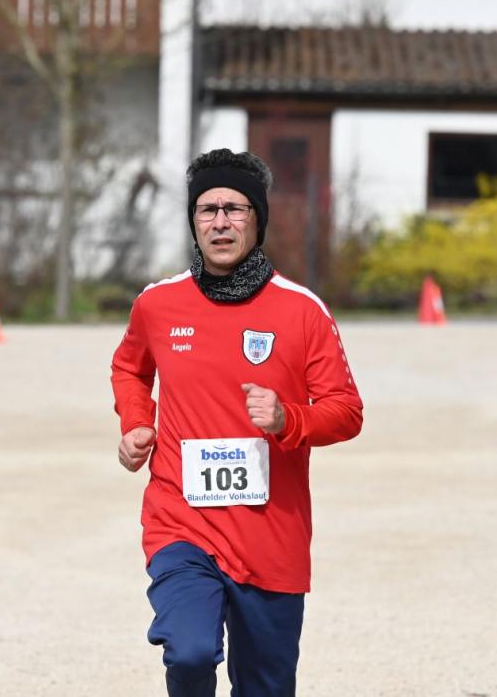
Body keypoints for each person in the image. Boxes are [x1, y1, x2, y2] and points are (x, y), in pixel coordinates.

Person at [110, 148, 364, 696]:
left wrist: (288, 418)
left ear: (257, 219)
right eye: (207, 209)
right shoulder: (158, 304)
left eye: (235, 209)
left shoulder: (302, 310)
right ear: (193, 221)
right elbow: (129, 368)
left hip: (270, 533)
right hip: (182, 522)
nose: (220, 222)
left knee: (266, 687)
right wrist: (136, 422)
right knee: (190, 651)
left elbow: (346, 411)